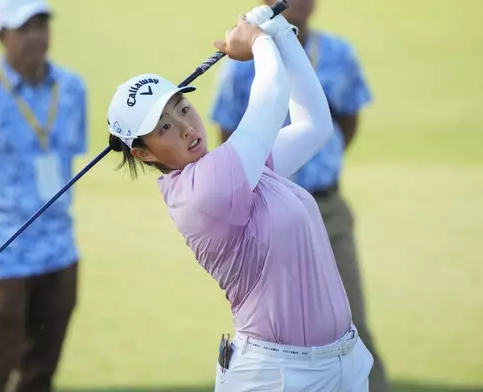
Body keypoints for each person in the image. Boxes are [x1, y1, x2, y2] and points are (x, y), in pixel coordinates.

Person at [105, 7, 373, 391]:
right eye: (164, 127)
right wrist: (259, 43)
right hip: (278, 376)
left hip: (340, 364)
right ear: (144, 153)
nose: (185, 128)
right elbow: (271, 98)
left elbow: (314, 125)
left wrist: (279, 30)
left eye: (182, 108)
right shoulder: (204, 189)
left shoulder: (236, 167)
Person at [210, 1, 389, 391]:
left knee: (350, 318)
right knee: (281, 335)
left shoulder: (339, 53)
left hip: (327, 205)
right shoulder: (241, 60)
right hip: (268, 216)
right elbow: (229, 135)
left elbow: (345, 121)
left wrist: (318, 162)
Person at [0, 0, 87, 390]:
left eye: (42, 24)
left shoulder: (73, 89)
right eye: (24, 27)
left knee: (41, 370)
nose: (36, 35)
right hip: (0, 253)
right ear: (0, 35)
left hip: (59, 248)